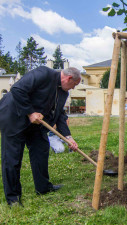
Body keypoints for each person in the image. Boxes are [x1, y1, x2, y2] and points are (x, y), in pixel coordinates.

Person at [0, 66, 81, 206]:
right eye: (74, 84)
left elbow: (59, 115)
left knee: (41, 152)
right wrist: (30, 112)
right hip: (14, 117)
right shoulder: (44, 74)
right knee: (12, 158)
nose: (73, 88)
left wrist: (68, 137)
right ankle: (13, 197)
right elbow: (17, 89)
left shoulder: (63, 93)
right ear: (68, 78)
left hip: (36, 124)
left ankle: (43, 187)